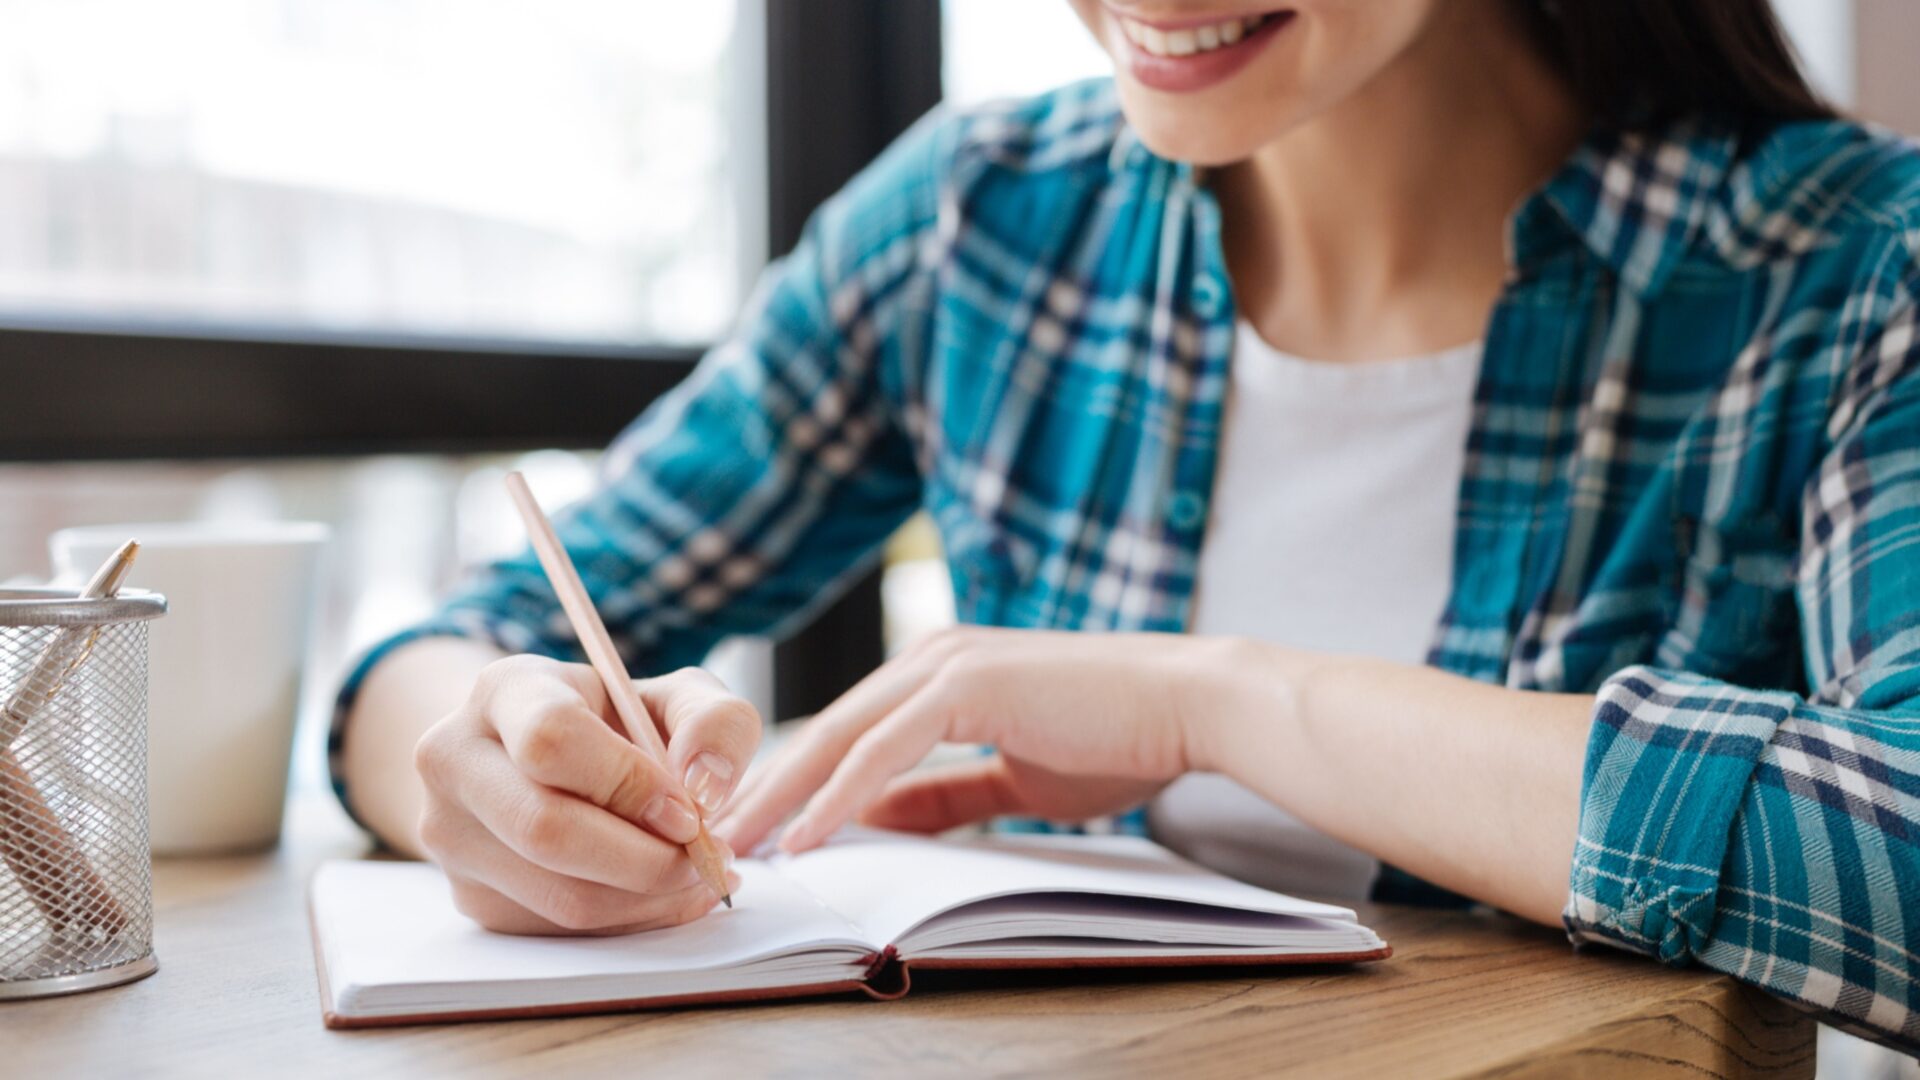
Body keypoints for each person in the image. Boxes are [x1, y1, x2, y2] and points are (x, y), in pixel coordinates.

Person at [331, 0, 1920, 1052]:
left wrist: (1213, 698)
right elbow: (439, 660)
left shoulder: (1852, 273)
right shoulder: (979, 223)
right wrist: (495, 774)